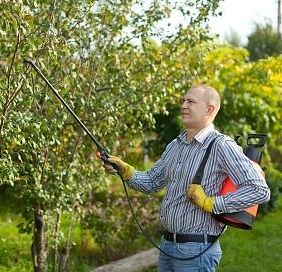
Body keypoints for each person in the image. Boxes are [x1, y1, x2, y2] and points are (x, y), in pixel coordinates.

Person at [102, 84, 270, 272]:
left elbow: (259, 190)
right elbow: (151, 182)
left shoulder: (221, 145)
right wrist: (125, 171)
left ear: (209, 109)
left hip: (196, 251)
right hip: (167, 245)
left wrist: (210, 203)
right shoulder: (176, 145)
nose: (183, 105)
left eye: (190, 101)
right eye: (183, 100)